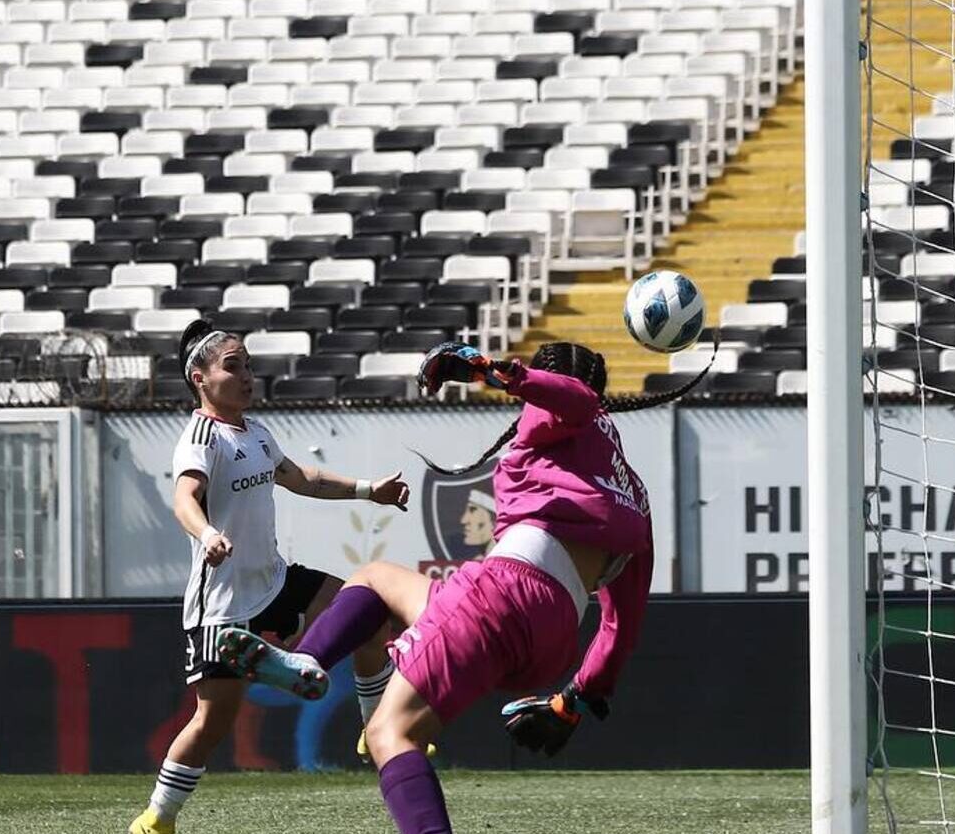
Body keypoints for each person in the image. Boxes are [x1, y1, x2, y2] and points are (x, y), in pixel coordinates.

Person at [214, 341, 704, 834]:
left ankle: (313, 669)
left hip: (505, 596)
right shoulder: (634, 494)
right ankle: (314, 668)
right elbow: (621, 629)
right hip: (551, 643)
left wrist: (496, 371)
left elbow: (572, 400)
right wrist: (574, 699)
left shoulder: (553, 415)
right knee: (377, 579)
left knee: (393, 734)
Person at [130, 321, 411, 834]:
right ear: (200, 378)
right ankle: (157, 818)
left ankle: (375, 729)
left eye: (249, 365)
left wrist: (371, 490)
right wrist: (207, 533)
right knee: (212, 722)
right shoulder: (201, 437)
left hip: (276, 581)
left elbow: (304, 478)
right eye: (232, 366)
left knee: (369, 614)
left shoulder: (257, 434)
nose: (246, 376)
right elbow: (183, 500)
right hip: (222, 601)